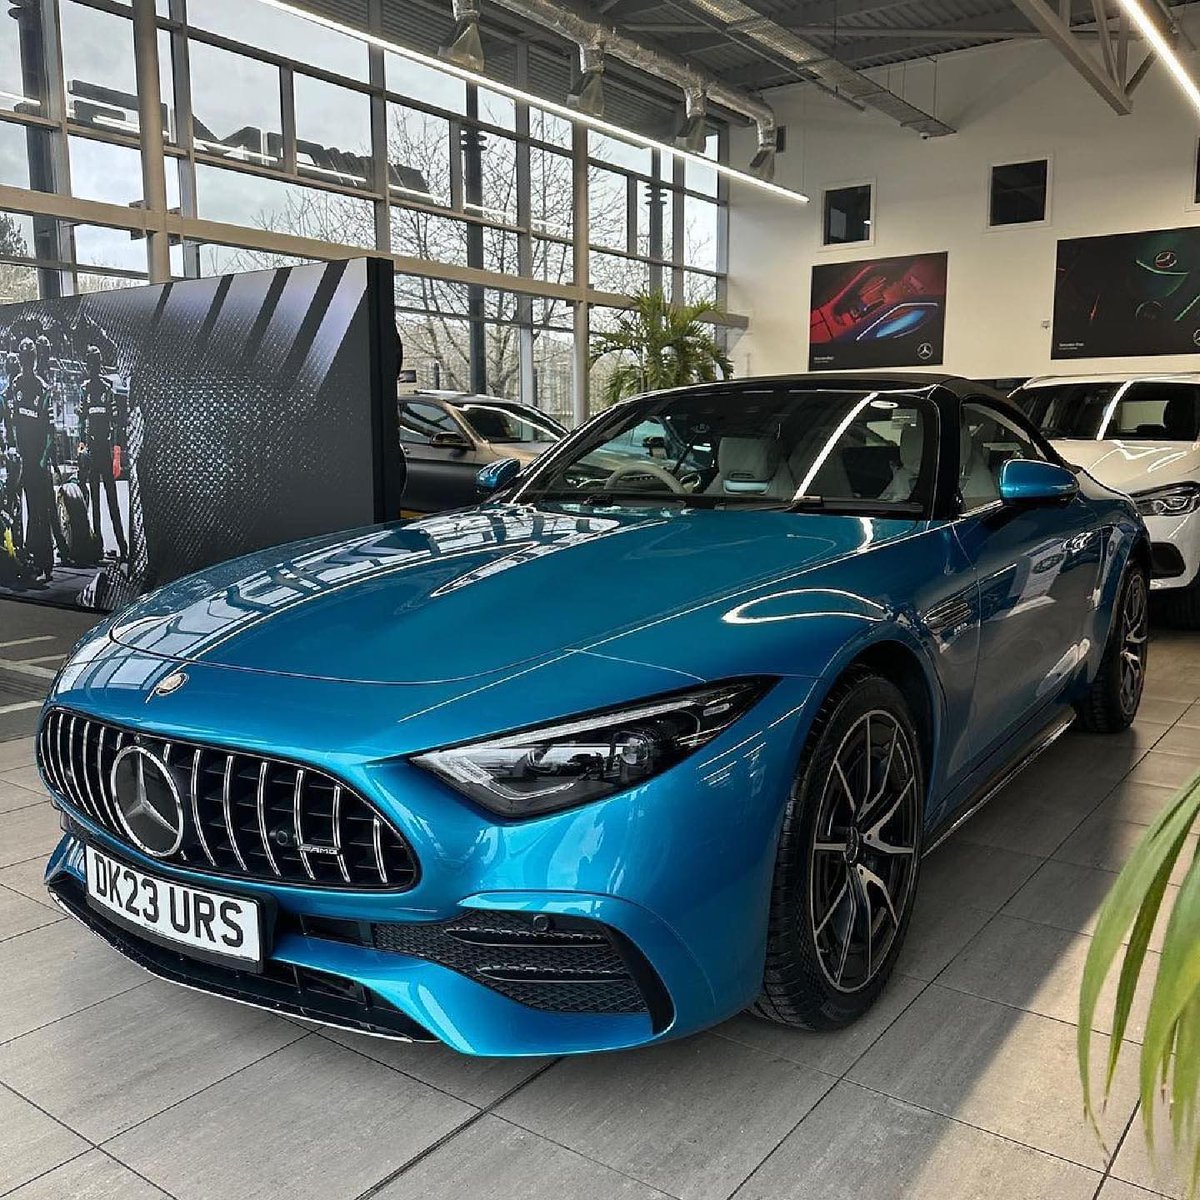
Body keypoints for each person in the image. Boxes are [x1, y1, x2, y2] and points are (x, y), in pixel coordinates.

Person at [9, 337, 53, 582]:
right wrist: (15, 450)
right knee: (20, 509)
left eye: (30, 358)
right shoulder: (15, 385)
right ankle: (24, 556)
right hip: (22, 459)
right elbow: (14, 422)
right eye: (23, 359)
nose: (27, 363)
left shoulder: (43, 388)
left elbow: (49, 431)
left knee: (40, 511)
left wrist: (43, 460)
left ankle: (45, 562)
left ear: (35, 359)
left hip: (38, 461)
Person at [78, 345, 127, 561]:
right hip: (92, 452)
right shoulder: (84, 388)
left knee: (113, 501)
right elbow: (81, 421)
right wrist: (81, 447)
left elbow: (117, 424)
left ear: (99, 364)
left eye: (96, 363)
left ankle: (123, 546)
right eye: (91, 363)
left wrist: (117, 456)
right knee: (95, 502)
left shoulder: (108, 386)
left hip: (106, 451)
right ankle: (97, 545)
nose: (93, 367)